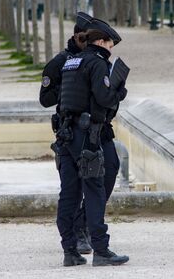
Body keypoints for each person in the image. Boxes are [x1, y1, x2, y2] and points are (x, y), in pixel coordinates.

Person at [39, 13, 120, 255]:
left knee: (107, 173)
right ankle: (83, 236)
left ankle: (77, 236)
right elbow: (44, 99)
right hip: (76, 130)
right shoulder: (62, 62)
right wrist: (69, 87)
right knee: (80, 187)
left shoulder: (89, 61)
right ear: (77, 36)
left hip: (95, 130)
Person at [56, 26, 129, 267]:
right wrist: (119, 90)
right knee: (95, 189)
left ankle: (70, 251)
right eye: (109, 44)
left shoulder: (71, 62)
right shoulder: (97, 63)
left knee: (69, 193)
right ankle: (101, 249)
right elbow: (104, 98)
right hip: (87, 136)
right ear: (100, 42)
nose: (111, 49)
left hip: (66, 135)